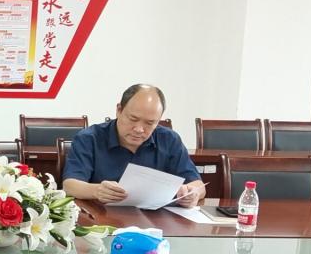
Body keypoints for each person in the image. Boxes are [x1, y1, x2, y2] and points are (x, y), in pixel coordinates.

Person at [62, 83, 206, 207]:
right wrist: (97, 190)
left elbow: (198, 185)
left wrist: (192, 193)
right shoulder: (89, 138)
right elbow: (70, 185)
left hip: (156, 220)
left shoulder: (169, 139)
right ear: (119, 110)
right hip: (102, 216)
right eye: (133, 119)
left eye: (150, 123)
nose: (139, 129)